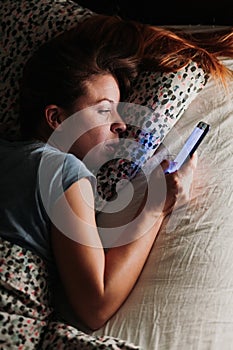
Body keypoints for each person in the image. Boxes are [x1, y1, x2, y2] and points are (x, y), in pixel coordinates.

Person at [0, 14, 233, 334]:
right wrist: (158, 205)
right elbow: (96, 305)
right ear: (56, 118)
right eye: (103, 109)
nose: (121, 125)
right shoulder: (60, 168)